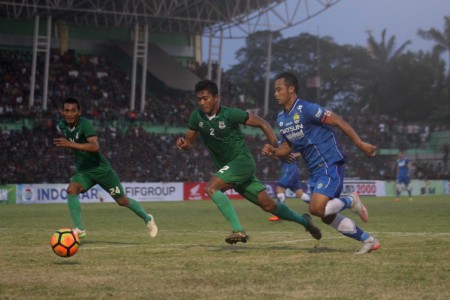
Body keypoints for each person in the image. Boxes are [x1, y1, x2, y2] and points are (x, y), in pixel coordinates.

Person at [175, 79, 321, 244]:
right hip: (230, 168)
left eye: (205, 98)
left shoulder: (230, 114)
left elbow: (262, 123)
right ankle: (305, 221)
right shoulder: (197, 116)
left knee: (211, 188)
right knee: (269, 206)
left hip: (242, 161)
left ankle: (239, 231)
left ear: (216, 98)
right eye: (199, 99)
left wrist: (275, 148)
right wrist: (184, 144)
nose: (202, 102)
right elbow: (189, 142)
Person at [262, 72, 380, 254]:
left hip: (329, 162)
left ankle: (350, 200)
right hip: (314, 170)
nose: (275, 94)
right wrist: (274, 152)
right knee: (326, 215)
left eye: (279, 89)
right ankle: (368, 240)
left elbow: (338, 121)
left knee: (316, 208)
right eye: (275, 90)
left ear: (291, 89)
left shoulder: (306, 109)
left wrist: (360, 143)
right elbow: (288, 146)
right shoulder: (281, 118)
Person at [54, 98, 158, 240]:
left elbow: (95, 147)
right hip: (85, 172)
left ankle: (147, 218)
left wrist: (70, 145)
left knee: (122, 201)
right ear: (62, 112)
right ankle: (80, 229)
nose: (70, 114)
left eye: (73, 110)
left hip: (102, 170)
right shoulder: (62, 125)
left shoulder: (86, 125)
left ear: (79, 112)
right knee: (72, 190)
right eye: (66, 110)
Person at [268, 152, 311, 222]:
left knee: (279, 190)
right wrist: (272, 155)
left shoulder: (288, 142)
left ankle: (280, 215)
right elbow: (281, 157)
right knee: (300, 194)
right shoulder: (282, 144)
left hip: (290, 171)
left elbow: (301, 151)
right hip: (291, 170)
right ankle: (320, 207)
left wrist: (295, 155)